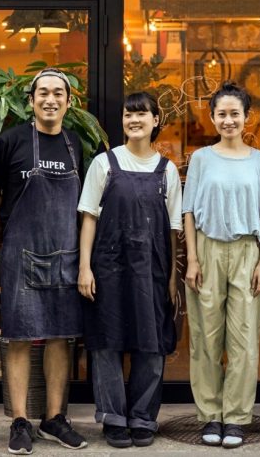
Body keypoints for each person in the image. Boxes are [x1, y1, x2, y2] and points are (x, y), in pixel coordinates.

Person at [0, 68, 88, 455]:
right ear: (31, 100)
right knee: (20, 337)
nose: (50, 99)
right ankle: (20, 421)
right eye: (42, 92)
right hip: (22, 251)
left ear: (67, 101)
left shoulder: (74, 143)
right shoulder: (11, 140)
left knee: (61, 336)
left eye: (57, 93)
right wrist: (12, 220)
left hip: (66, 251)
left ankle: (54, 418)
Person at [76, 92, 181, 449]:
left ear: (155, 120)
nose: (134, 120)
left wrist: (171, 279)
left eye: (141, 114)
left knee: (150, 345)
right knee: (107, 343)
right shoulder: (104, 163)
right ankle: (113, 418)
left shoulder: (167, 170)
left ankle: (143, 417)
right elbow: (89, 217)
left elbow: (172, 231)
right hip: (108, 268)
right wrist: (85, 267)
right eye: (128, 114)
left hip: (151, 270)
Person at [182, 82, 260, 449]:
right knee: (206, 337)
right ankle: (209, 415)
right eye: (221, 113)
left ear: (246, 116)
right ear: (212, 117)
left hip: (247, 251)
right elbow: (188, 211)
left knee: (244, 337)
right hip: (206, 249)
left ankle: (236, 418)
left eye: (235, 113)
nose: (228, 120)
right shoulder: (202, 159)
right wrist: (191, 258)